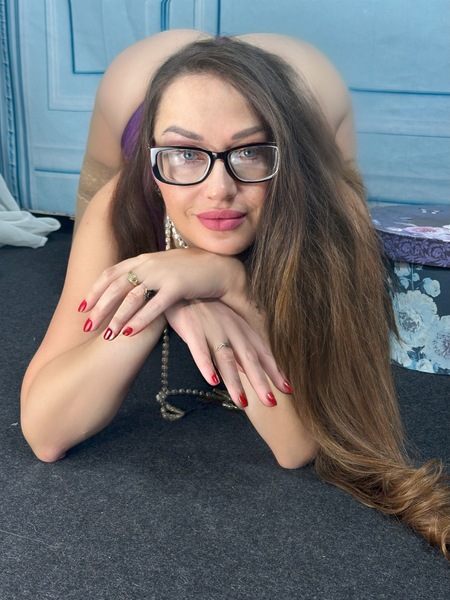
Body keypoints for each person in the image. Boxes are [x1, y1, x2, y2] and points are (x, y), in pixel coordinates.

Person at [20, 31, 449, 560]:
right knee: (98, 276)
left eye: (249, 151)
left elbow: (295, 445)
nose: (219, 189)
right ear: (154, 166)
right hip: (131, 86)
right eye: (183, 154)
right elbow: (45, 432)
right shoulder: (126, 195)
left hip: (310, 86)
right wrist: (161, 297)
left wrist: (230, 284)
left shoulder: (330, 205)